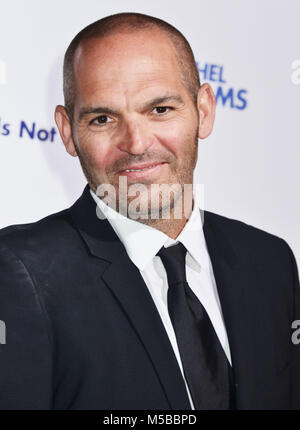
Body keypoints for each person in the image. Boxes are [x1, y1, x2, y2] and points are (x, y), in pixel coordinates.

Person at [0, 12, 299, 410]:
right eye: (103, 118)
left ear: (204, 111)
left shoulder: (270, 260)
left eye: (160, 109)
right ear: (68, 131)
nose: (137, 143)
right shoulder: (19, 272)